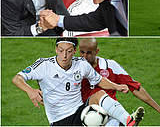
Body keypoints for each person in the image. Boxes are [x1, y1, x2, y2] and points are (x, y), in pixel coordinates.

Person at [12, 38, 144, 126]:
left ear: (74, 51)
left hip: (80, 112)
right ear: (56, 50)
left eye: (69, 52)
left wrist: (117, 86)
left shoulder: (81, 64)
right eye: (61, 51)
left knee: (99, 96)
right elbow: (17, 78)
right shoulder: (44, 65)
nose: (64, 56)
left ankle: (128, 121)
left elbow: (99, 81)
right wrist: (30, 90)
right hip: (59, 120)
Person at [78, 38, 160, 126]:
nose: (85, 57)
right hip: (84, 113)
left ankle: (128, 121)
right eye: (82, 52)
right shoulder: (75, 66)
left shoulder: (110, 66)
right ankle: (128, 120)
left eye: (89, 53)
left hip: (109, 114)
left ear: (97, 51)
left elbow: (135, 87)